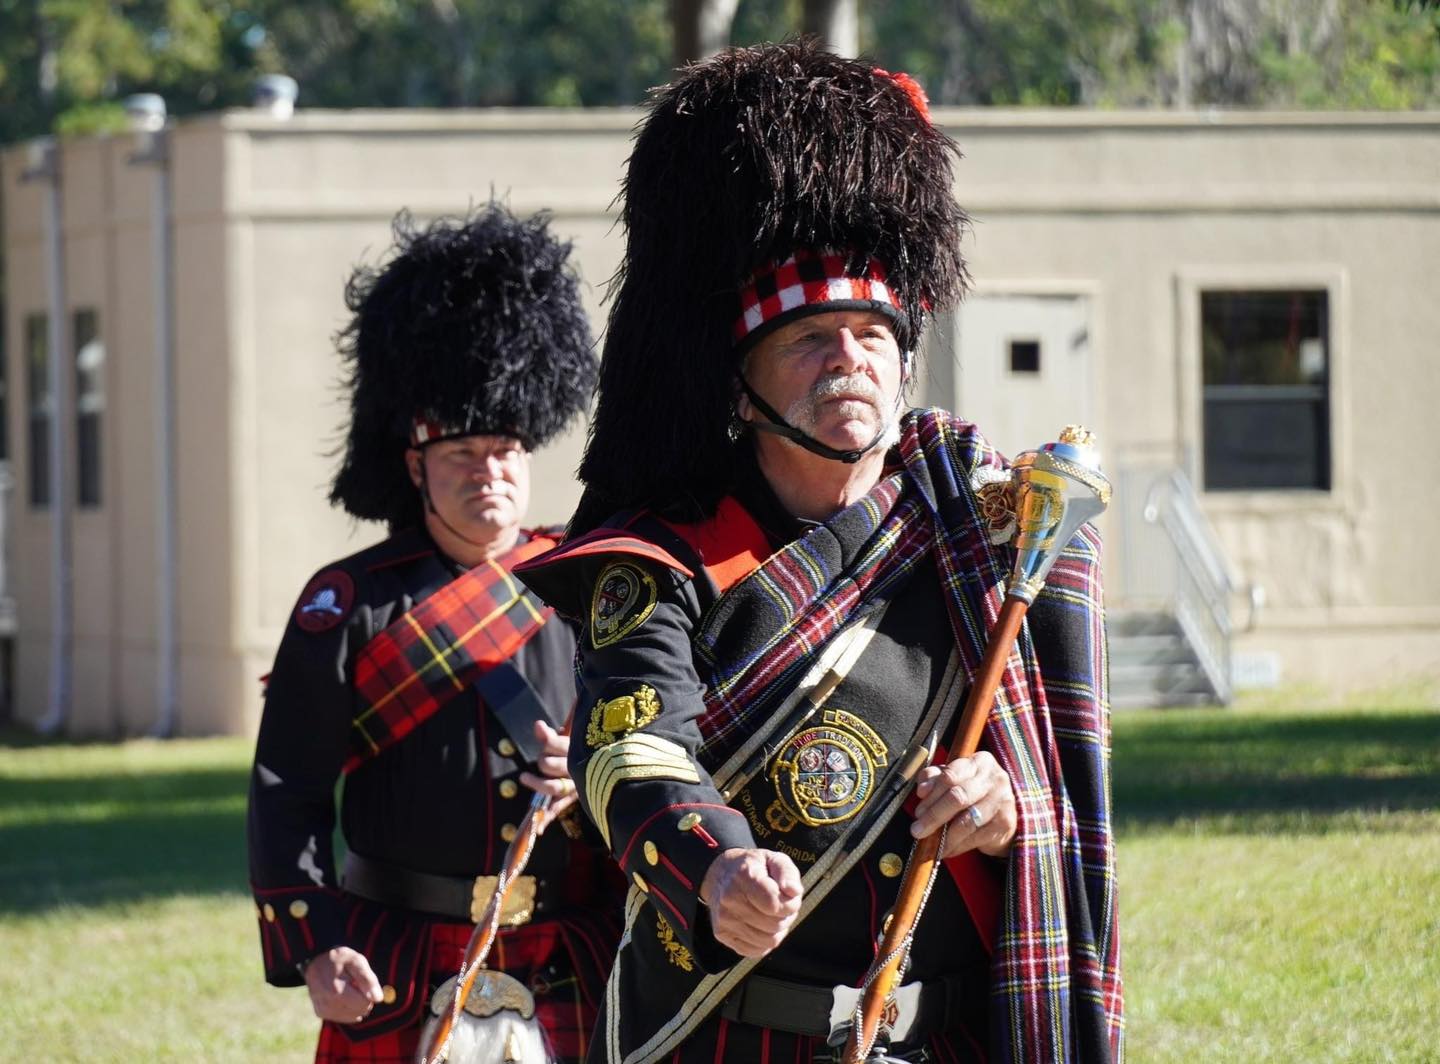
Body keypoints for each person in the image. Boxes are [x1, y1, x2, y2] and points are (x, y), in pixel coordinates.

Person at [515, 42, 1123, 1064]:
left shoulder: (981, 526)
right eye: (809, 340)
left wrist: (1003, 806)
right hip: (732, 1037)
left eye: (871, 336)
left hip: (948, 1035)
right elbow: (629, 748)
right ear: (739, 382)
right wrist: (715, 867)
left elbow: (1051, 778)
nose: (849, 360)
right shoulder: (658, 558)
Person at [246, 205, 619, 1063]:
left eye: (505, 450)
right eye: (461, 454)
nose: (488, 473)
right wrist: (315, 941)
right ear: (415, 465)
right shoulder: (349, 604)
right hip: (400, 959)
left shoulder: (587, 583)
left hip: (568, 956)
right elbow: (288, 790)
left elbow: (666, 735)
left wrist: (594, 770)